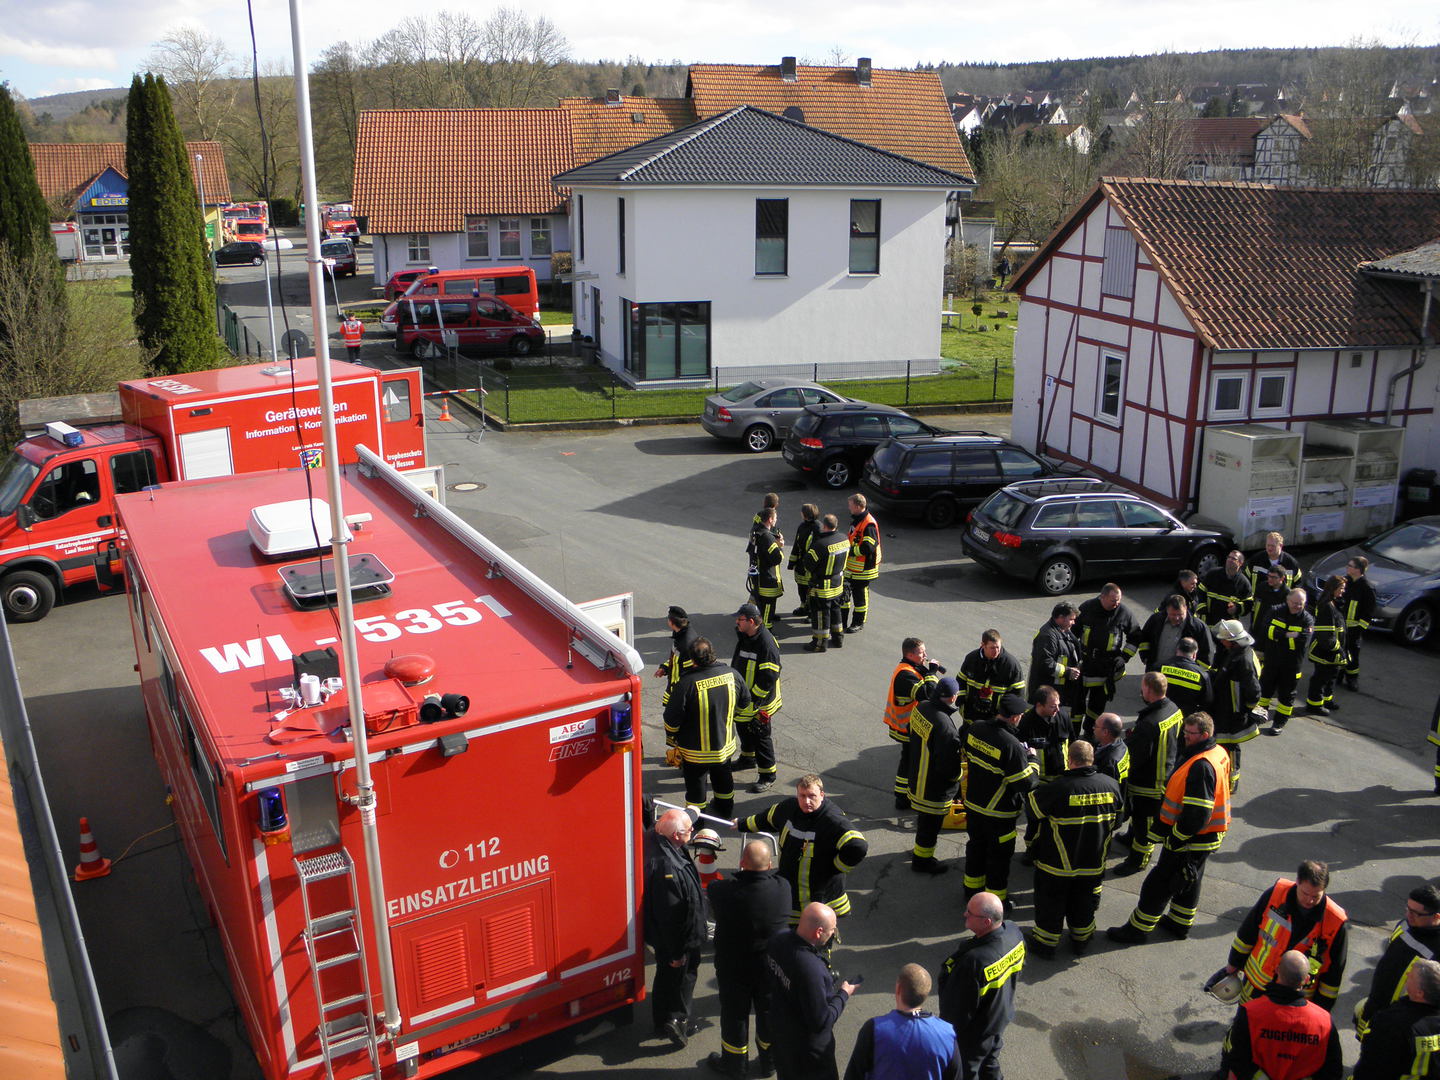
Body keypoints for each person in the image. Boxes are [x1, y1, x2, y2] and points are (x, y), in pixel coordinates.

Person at [1108, 711, 1230, 943]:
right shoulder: (1218, 752)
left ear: (1204, 734)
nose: (1185, 737)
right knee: (1189, 878)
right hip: (1209, 835)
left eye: (1190, 734)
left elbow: (1197, 813)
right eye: (1185, 732)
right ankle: (1179, 923)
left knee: (1158, 884)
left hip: (1190, 838)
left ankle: (1137, 930)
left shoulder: (1201, 766)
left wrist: (1176, 838)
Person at [1024, 740, 1123, 958]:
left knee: (1050, 905)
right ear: (1092, 759)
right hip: (1093, 862)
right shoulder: (1111, 785)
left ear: (1070, 760)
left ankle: (1045, 943)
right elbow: (1118, 821)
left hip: (1056, 864)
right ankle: (1081, 939)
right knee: (1084, 904)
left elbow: (1032, 811)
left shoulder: (1059, 788)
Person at [706, 840, 791, 1078]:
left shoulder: (723, 892)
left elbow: (713, 888)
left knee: (734, 1016)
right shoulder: (783, 887)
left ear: (742, 863)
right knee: (768, 1014)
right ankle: (769, 1062)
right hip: (770, 967)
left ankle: (734, 1065)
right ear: (770, 863)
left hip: (734, 968)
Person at [1219, 861, 1349, 1012]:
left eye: (1316, 896)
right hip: (1258, 983)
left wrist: (1322, 1009)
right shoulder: (1276, 895)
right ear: (1297, 882)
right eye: (1305, 893)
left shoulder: (1335, 922)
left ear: (1324, 890)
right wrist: (1233, 965)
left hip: (1296, 998)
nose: (1309, 900)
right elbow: (1248, 933)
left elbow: (1334, 972)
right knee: (1247, 1024)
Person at [738, 775, 869, 923]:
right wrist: (741, 824)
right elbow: (765, 819)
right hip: (794, 895)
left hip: (821, 900)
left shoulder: (832, 820)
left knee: (819, 940)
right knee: (792, 938)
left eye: (812, 796)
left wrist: (836, 867)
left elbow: (858, 846)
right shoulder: (788, 808)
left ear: (822, 795)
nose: (806, 801)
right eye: (802, 796)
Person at [938, 892, 1025, 1080]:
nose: (965, 914)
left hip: (975, 1035)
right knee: (991, 1060)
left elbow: (957, 1010)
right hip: (1000, 1017)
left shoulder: (974, 962)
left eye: (970, 913)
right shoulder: (1013, 932)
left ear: (986, 922)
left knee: (968, 1071)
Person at [766, 902, 858, 1080]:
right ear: (818, 932)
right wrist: (843, 994)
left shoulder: (778, 939)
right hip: (809, 1055)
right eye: (832, 930)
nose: (833, 933)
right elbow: (821, 1022)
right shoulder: (812, 969)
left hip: (781, 1037)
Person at [1218, 950, 1343, 1080]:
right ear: (1306, 979)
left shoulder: (1250, 1012)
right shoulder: (1324, 1021)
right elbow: (1333, 1071)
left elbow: (1238, 1062)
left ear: (1277, 970)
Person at [961, 694, 1037, 904]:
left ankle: (971, 890)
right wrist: (1033, 759)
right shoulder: (1011, 745)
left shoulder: (976, 728)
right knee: (999, 858)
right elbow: (1026, 783)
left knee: (976, 848)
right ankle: (995, 901)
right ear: (1014, 718)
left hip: (974, 805)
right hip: (1000, 814)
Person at [664, 637, 749, 821]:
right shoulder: (732, 674)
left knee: (696, 788)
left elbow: (671, 718)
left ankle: (698, 821)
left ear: (693, 660)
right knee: (723, 779)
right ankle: (725, 810)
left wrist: (672, 739)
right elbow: (745, 704)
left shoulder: (687, 684)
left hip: (695, 752)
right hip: (724, 747)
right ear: (713, 655)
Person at [644, 808, 706, 1047]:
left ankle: (660, 1020)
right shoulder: (670, 869)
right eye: (690, 830)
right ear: (677, 836)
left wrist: (690, 813)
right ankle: (678, 1022)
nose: (693, 832)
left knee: (664, 976)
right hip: (678, 942)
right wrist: (677, 953)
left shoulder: (656, 836)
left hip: (663, 938)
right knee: (682, 977)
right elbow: (671, 918)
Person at [1114, 671, 1181, 876]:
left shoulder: (1149, 724)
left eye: (1143, 688)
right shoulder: (1173, 708)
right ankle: (1131, 837)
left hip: (1149, 781)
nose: (1141, 691)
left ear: (1149, 690)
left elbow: (1135, 755)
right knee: (1139, 813)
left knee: (1145, 822)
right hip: (1164, 772)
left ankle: (1138, 859)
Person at [1354, 883, 1440, 1041]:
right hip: (1377, 1004)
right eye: (1408, 909)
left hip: (1402, 1020)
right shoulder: (1405, 924)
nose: (1409, 915)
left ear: (1436, 917)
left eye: (1416, 913)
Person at [843, 964, 959, 1080]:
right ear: (926, 994)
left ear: (898, 989)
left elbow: (854, 1075)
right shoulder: (948, 1034)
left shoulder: (874, 1029)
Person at [908, 676, 965, 876]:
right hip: (933, 788)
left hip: (916, 777)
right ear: (953, 697)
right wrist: (958, 778)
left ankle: (919, 849)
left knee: (924, 821)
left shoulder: (921, 707)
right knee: (931, 826)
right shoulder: (946, 728)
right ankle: (922, 860)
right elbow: (948, 767)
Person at [1352, 959, 1440, 1080]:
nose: (1407, 974)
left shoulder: (1392, 1024)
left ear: (1420, 993)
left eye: (1412, 976)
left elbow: (1372, 1068)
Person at [885, 638, 944, 811]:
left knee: (910, 759)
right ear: (909, 654)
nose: (925, 655)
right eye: (921, 652)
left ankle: (903, 796)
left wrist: (928, 671)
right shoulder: (905, 674)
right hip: (906, 726)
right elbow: (927, 694)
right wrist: (932, 674)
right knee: (910, 761)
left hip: (911, 725)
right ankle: (902, 798)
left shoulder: (913, 667)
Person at [732, 603, 782, 794]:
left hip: (760, 701)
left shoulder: (766, 644)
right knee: (743, 726)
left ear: (751, 622)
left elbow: (769, 677)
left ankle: (768, 774)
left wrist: (754, 700)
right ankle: (747, 758)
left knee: (760, 735)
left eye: (740, 620)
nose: (737, 623)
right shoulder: (747, 636)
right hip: (746, 697)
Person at [1074, 584, 1139, 728]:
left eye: (1119, 600)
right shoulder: (1087, 608)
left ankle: (1091, 731)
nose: (1116, 604)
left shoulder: (1124, 613)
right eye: (1113, 600)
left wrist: (1124, 657)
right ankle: (1073, 733)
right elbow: (1072, 633)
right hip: (1085, 664)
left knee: (1097, 705)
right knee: (1077, 704)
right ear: (1102, 597)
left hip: (1106, 668)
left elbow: (1135, 636)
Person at [1210, 620, 1264, 793]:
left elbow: (1254, 691)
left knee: (1231, 746)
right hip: (1226, 708)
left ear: (1232, 641)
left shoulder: (1243, 660)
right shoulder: (1236, 651)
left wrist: (1244, 710)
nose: (1221, 641)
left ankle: (1232, 782)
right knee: (1224, 744)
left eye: (1223, 639)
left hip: (1233, 712)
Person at [1258, 588, 1313, 735]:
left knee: (1287, 696)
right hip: (1272, 661)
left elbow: (1303, 642)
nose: (1297, 606)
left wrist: (1278, 636)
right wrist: (1289, 635)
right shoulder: (1275, 611)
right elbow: (1265, 631)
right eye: (1294, 603)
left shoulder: (1307, 620)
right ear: (1287, 601)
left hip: (1292, 665)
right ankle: (1258, 717)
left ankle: (1279, 722)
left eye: (1300, 604)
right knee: (1264, 691)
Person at [959, 630, 1026, 725]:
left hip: (996, 720)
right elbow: (961, 681)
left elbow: (1018, 694)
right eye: (992, 648)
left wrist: (1004, 715)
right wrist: (962, 704)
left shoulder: (1011, 665)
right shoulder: (971, 659)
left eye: (998, 647)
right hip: (971, 717)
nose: (996, 651)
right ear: (983, 645)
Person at [804, 514, 850, 653]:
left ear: (824, 526)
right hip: (838, 583)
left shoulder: (820, 545)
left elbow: (808, 564)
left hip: (822, 587)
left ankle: (819, 643)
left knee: (821, 614)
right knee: (836, 611)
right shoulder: (844, 539)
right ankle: (838, 638)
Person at [1303, 575, 1348, 716]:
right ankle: (1314, 705)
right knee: (1320, 678)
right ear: (1333, 588)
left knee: (1330, 677)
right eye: (1341, 588)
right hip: (1325, 651)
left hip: (1331, 651)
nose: (1343, 591)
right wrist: (1338, 650)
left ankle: (1326, 700)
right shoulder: (1327, 607)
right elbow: (1326, 636)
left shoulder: (1332, 603)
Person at [1027, 602, 1082, 715]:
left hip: (1058, 690)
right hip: (1047, 692)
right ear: (1061, 618)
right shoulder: (1047, 635)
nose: (1074, 622)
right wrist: (1067, 672)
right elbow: (1045, 663)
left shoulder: (1063, 631)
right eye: (1071, 619)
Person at [1137, 594, 1212, 672]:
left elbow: (1207, 654)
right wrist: (1145, 656)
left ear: (1186, 608)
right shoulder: (1155, 620)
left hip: (1181, 676)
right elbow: (1144, 637)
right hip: (1156, 672)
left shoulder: (1198, 627)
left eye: (1180, 614)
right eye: (1173, 614)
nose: (1176, 618)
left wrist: (1194, 671)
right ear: (1167, 610)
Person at [655, 605, 699, 731]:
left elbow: (688, 674)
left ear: (671, 622)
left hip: (680, 692)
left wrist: (679, 695)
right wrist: (665, 667)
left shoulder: (686, 643)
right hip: (675, 688)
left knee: (677, 723)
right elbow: (675, 658)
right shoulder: (680, 634)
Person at [842, 493, 881, 633]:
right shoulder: (858, 520)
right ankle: (843, 622)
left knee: (860, 597)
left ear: (858, 506)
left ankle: (858, 622)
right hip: (854, 567)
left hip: (864, 568)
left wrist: (850, 551)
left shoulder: (868, 523)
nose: (849, 508)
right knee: (846, 594)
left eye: (851, 505)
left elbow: (868, 547)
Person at [1016, 686, 1071, 784]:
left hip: (1063, 777)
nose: (1057, 709)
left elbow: (1072, 742)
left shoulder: (1063, 716)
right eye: (1053, 706)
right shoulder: (1025, 723)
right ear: (1039, 705)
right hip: (1040, 780)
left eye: (1058, 705)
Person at [1340, 555, 1376, 692]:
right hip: (1341, 626)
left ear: (1358, 570)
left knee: (1352, 655)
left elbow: (1369, 612)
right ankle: (1338, 675)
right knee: (1339, 652)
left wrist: (1359, 629)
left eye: (1350, 566)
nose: (1347, 568)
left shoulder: (1366, 588)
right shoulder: (1345, 582)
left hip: (1354, 629)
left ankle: (1352, 678)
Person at [1157, 636, 1214, 719]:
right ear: (1194, 655)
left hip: (1161, 714)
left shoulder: (1159, 667)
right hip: (1187, 718)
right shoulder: (1202, 675)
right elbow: (1207, 701)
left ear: (1177, 650)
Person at [749, 506, 786, 629]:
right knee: (768, 606)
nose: (776, 520)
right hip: (767, 579)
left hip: (759, 576)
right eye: (775, 518)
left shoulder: (758, 532)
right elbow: (777, 558)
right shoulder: (767, 537)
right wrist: (779, 545)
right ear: (770, 520)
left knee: (763, 605)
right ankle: (766, 630)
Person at [1201, 549, 1254, 627]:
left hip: (1228, 627)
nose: (1229, 560)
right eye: (1229, 557)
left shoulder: (1243, 583)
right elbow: (1200, 591)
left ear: (1240, 563)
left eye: (1233, 558)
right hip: (1208, 622)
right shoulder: (1212, 574)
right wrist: (1203, 610)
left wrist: (1237, 608)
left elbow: (1248, 604)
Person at [789, 503, 822, 616]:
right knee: (801, 587)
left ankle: (811, 612)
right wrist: (792, 562)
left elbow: (817, 549)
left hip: (811, 565)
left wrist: (810, 564)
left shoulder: (818, 528)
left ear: (805, 514)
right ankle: (804, 606)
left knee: (810, 589)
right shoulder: (802, 526)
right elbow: (796, 544)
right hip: (801, 563)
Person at [1249, 564, 1289, 638]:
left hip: (1274, 632)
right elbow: (1254, 608)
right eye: (1269, 576)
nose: (1270, 579)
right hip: (1258, 628)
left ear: (1282, 578)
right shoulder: (1261, 587)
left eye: (1274, 577)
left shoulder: (1287, 594)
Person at [1092, 712, 1129, 787]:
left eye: (1096, 726)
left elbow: (1106, 788)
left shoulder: (1109, 761)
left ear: (1105, 732)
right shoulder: (1121, 745)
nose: (1093, 728)